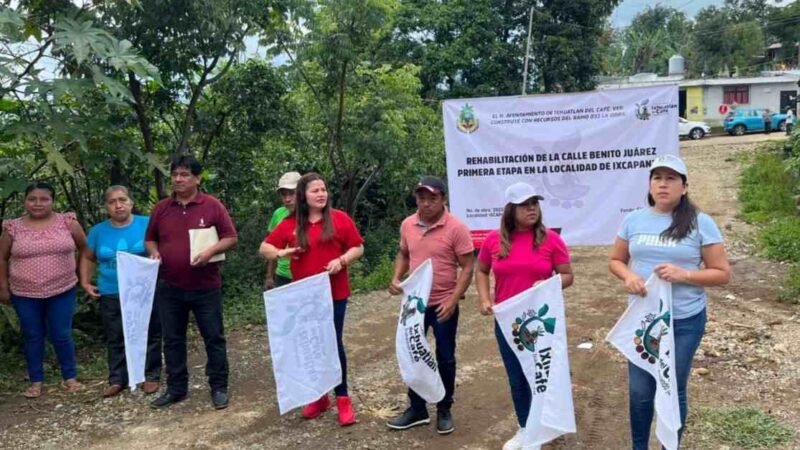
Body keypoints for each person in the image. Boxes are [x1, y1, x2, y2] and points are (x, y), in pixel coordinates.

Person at [608, 155, 731, 450]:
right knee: (640, 391)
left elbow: (722, 274)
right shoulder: (633, 220)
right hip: (644, 321)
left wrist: (685, 274)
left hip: (684, 321)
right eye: (657, 178)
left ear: (684, 187)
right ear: (650, 185)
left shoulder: (701, 223)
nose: (663, 184)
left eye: (671, 178)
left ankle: (669, 446)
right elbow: (615, 260)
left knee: (672, 388)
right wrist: (627, 277)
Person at [260, 172, 364, 427]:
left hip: (334, 294)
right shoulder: (291, 223)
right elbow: (264, 248)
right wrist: (282, 251)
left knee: (332, 343)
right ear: (303, 196)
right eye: (315, 190)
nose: (321, 194)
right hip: (303, 297)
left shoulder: (339, 219)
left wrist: (342, 261)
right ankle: (319, 397)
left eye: (323, 189)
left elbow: (358, 247)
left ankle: (342, 398)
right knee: (311, 345)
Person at [475, 182, 574, 450]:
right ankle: (525, 428)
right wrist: (485, 298)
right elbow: (481, 270)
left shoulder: (551, 240)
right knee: (517, 375)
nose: (532, 209)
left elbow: (567, 276)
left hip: (540, 322)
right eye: (525, 205)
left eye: (535, 203)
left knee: (541, 373)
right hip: (508, 322)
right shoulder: (493, 241)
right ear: (511, 209)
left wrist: (548, 284)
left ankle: (544, 425)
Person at [145, 155, 238, 410]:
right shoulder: (161, 208)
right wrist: (154, 252)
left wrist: (209, 252)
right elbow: (150, 239)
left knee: (214, 337)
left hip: (206, 286)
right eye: (174, 174)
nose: (178, 179)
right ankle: (176, 389)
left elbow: (230, 237)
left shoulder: (212, 206)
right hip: (170, 286)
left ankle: (219, 387)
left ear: (197, 178)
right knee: (172, 340)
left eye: (184, 174)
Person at [386, 176, 474, 435]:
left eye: (432, 198)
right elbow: (403, 253)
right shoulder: (408, 225)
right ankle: (417, 408)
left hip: (443, 304)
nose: (425, 203)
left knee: (445, 357)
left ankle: (444, 408)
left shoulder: (456, 228)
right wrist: (395, 277)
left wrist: (453, 298)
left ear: (443, 199)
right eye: (421, 198)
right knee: (413, 353)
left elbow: (468, 266)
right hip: (415, 304)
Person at [0, 182, 86, 398]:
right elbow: (2, 257)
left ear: (52, 201)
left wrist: (82, 275)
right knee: (32, 335)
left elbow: (85, 249)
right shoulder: (12, 228)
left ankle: (70, 377)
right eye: (32, 199)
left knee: (61, 334)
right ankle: (36, 381)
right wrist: (3, 287)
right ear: (25, 201)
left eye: (44, 199)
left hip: (63, 289)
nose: (38, 203)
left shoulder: (68, 223)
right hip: (24, 293)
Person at [79, 185, 162, 398]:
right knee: (115, 335)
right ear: (106, 207)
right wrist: (86, 282)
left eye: (122, 200)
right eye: (112, 201)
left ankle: (150, 375)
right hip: (110, 291)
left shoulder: (146, 224)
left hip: (142, 291)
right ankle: (117, 379)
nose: (118, 205)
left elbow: (158, 248)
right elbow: (88, 256)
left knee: (148, 332)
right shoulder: (98, 231)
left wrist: (156, 256)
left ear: (131, 203)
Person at [264, 171, 301, 290]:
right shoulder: (279, 214)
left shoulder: (315, 214)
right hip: (283, 275)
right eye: (284, 195)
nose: (287, 199)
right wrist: (270, 276)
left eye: (292, 193)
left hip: (307, 275)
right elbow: (271, 247)